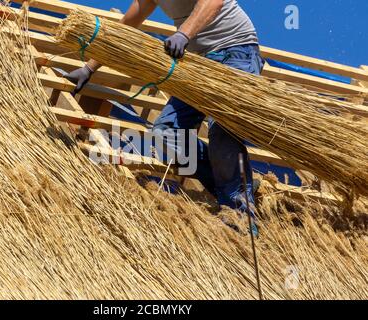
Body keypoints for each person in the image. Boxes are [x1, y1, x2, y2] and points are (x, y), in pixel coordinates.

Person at [64, 0, 264, 234]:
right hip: (200, 62)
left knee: (222, 130)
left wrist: (183, 35)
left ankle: (240, 216)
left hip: (236, 51)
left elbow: (214, 2)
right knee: (166, 133)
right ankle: (235, 186)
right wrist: (90, 68)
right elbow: (128, 25)